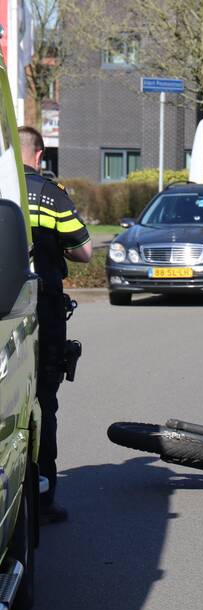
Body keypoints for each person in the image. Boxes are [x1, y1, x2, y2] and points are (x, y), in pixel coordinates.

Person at [20, 125, 91, 524]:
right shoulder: (50, 194)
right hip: (42, 311)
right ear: (40, 156)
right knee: (43, 401)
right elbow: (83, 250)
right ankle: (43, 496)